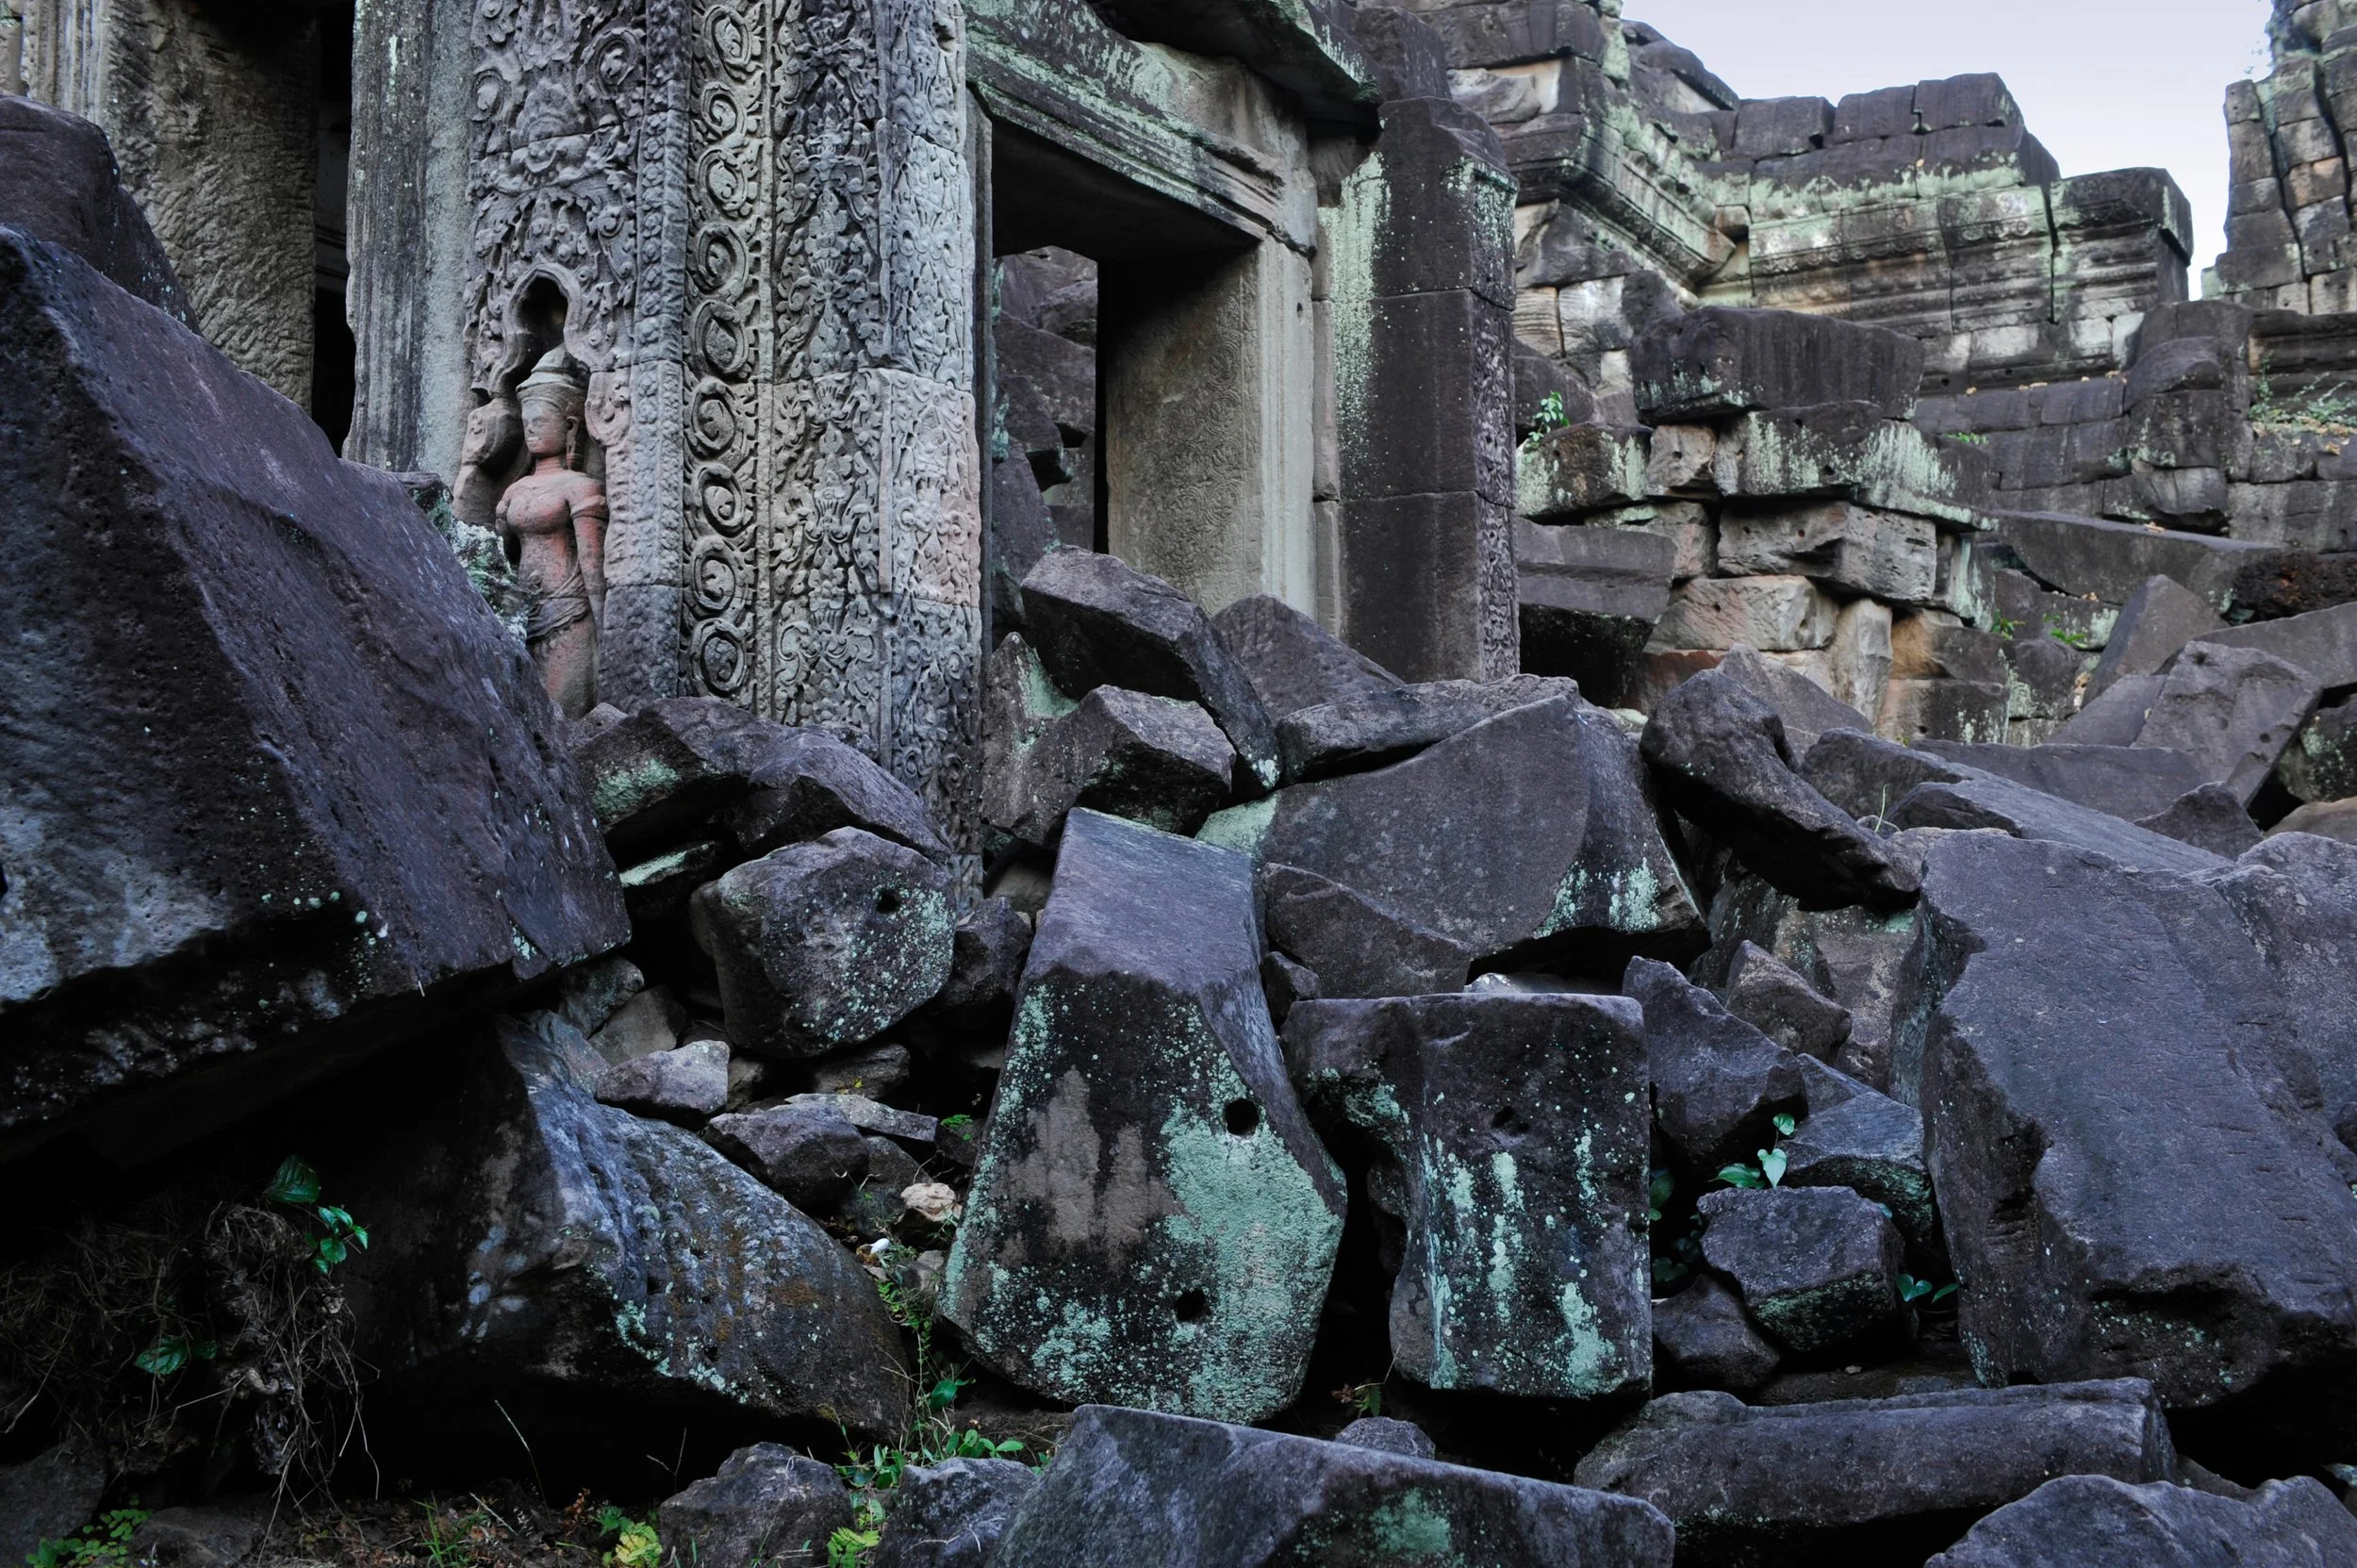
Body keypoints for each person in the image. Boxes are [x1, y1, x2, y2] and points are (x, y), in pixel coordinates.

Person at [496, 351, 608, 717]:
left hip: (568, 613)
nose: (531, 429)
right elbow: (494, 556)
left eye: (541, 420)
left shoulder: (581, 488)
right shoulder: (515, 489)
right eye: (527, 421)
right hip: (520, 614)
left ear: (570, 426)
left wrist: (605, 630)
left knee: (561, 716)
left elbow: (593, 566)